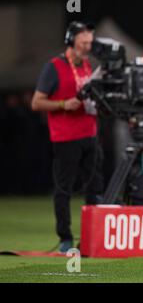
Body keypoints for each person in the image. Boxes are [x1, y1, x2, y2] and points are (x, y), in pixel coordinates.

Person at [31, 21, 104, 253]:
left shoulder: (87, 65)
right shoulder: (53, 67)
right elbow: (36, 102)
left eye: (90, 42)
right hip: (65, 137)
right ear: (71, 41)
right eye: (83, 42)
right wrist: (63, 103)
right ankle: (65, 238)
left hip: (89, 135)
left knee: (94, 188)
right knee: (64, 189)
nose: (87, 47)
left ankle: (92, 238)